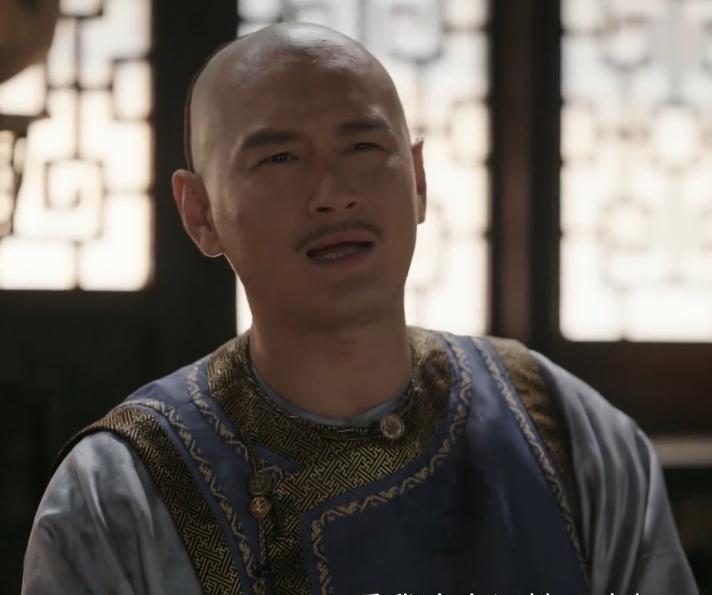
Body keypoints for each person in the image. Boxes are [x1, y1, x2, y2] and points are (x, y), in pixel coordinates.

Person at [22, 22, 698, 595]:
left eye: (363, 147)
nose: (333, 192)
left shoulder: (566, 434)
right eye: (279, 157)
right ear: (200, 213)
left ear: (419, 179)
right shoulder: (120, 493)